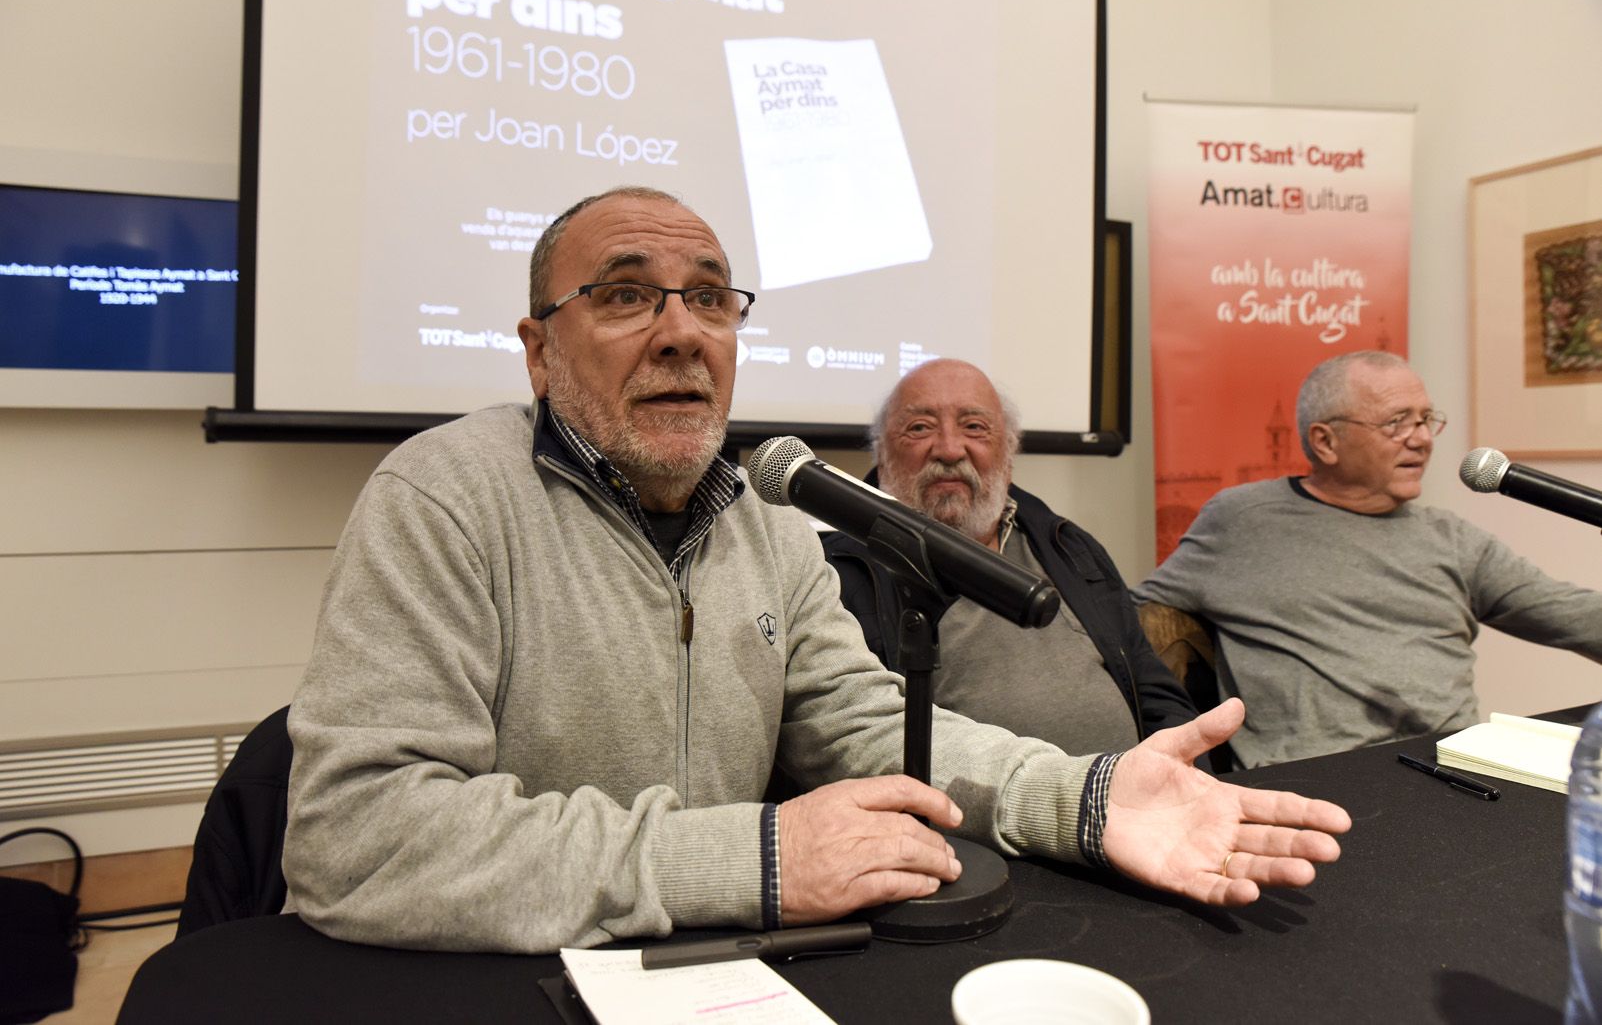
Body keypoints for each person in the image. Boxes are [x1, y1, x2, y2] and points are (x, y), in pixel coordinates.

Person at [282, 186, 1350, 954]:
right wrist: (749, 859)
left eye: (711, 299)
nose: (681, 333)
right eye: (624, 297)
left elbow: (866, 724)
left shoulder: (770, 523)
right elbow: (359, 839)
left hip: (717, 975)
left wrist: (1084, 796)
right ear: (537, 349)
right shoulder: (442, 498)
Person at [1135, 350, 1602, 768]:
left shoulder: (1452, 539)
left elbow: (1571, 614)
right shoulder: (1243, 522)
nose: (1421, 439)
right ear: (1325, 443)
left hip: (1454, 767)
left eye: (1426, 420)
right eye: (1398, 421)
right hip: (1318, 781)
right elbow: (1123, 618)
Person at [822, 359, 1197, 757]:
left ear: (1009, 449)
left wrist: (1186, 771)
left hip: (1137, 804)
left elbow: (1153, 690)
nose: (949, 449)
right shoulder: (839, 575)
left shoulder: (1067, 546)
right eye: (920, 428)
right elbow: (859, 741)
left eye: (974, 427)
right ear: (882, 452)